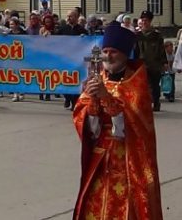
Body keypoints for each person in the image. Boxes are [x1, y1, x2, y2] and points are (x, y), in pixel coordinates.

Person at [72, 22, 162, 219]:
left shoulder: (136, 84)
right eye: (105, 51)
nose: (108, 56)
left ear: (124, 54)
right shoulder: (96, 80)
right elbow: (89, 129)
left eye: (113, 52)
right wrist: (92, 104)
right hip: (100, 159)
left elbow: (131, 126)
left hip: (128, 159)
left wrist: (106, 98)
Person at [135, 10, 168, 112]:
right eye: (143, 20)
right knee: (143, 85)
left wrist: (164, 62)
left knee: (155, 85)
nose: (144, 22)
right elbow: (135, 50)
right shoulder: (137, 35)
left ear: (150, 21)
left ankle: (156, 102)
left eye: (146, 20)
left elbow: (162, 50)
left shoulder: (156, 35)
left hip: (154, 64)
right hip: (141, 64)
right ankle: (145, 103)